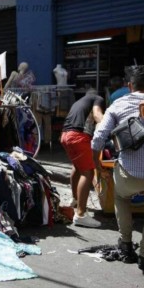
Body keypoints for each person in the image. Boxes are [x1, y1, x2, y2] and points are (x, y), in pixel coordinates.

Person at [92, 66, 144, 270]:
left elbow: (97, 140)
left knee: (121, 199)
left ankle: (126, 244)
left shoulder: (119, 103)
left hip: (129, 173)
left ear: (130, 86)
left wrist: (97, 166)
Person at [61, 89, 105, 227]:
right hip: (78, 137)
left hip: (65, 135)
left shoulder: (78, 102)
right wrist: (110, 126)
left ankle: (75, 200)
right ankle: (80, 214)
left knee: (77, 167)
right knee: (88, 172)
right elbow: (98, 115)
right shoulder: (97, 98)